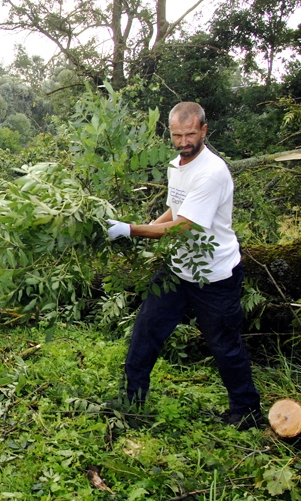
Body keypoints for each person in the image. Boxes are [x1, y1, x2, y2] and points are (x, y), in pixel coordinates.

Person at [106, 102, 262, 430]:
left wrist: (132, 230)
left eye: (190, 134)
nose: (183, 142)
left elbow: (183, 226)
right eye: (177, 135)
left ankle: (246, 413)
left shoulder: (212, 172)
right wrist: (145, 225)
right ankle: (130, 403)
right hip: (179, 269)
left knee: (224, 345)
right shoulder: (176, 164)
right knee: (146, 329)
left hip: (214, 275)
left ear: (205, 130)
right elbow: (174, 210)